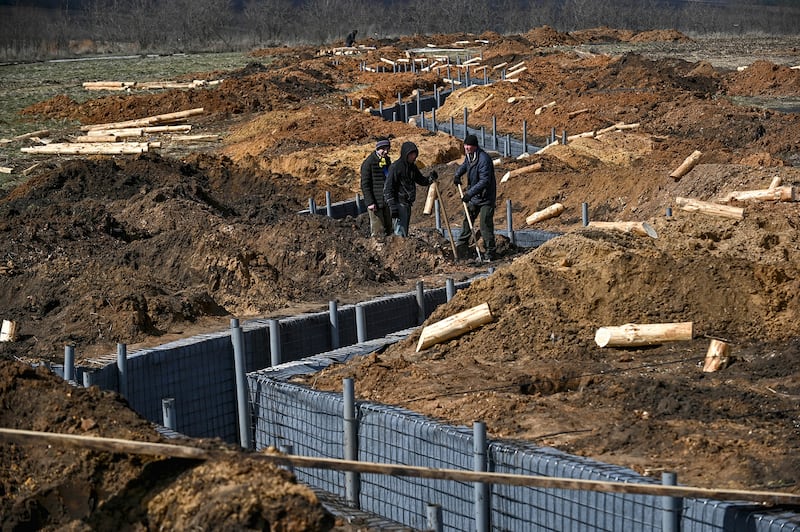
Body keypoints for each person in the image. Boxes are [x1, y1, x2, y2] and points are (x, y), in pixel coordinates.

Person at [453, 133, 497, 262]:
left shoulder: (484, 159)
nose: (466, 147)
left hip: (486, 198)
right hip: (475, 197)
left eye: (469, 145)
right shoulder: (469, 156)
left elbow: (484, 181)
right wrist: (457, 175)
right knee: (468, 219)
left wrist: (469, 194)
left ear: (475, 146)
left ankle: (490, 252)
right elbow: (465, 165)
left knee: (485, 225)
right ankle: (461, 246)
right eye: (465, 145)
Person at [383, 141, 437, 237]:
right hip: (399, 203)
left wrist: (430, 178)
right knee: (400, 233)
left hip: (407, 204)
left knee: (404, 231)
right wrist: (392, 207)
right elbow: (388, 188)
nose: (413, 157)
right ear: (405, 154)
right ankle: (399, 251)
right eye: (411, 154)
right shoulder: (396, 167)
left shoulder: (412, 167)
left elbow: (421, 180)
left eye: (415, 154)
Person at [360, 137, 392, 238]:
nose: (386, 151)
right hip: (375, 202)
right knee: (378, 231)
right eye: (383, 149)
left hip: (386, 201)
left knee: (389, 229)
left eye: (387, 148)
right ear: (377, 148)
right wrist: (370, 202)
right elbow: (365, 184)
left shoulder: (387, 161)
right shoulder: (368, 163)